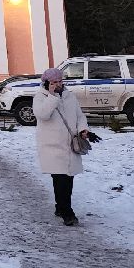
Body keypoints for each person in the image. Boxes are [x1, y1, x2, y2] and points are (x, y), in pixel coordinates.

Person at [34, 67, 96, 226]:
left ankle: (60, 207)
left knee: (67, 179)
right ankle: (68, 213)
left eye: (60, 81)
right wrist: (52, 96)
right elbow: (42, 114)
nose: (58, 84)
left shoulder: (70, 96)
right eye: (54, 82)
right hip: (52, 146)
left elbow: (79, 115)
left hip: (70, 145)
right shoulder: (40, 97)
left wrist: (83, 130)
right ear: (47, 83)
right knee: (60, 178)